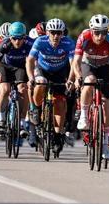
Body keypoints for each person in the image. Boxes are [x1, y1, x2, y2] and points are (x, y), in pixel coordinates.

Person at [73, 14, 109, 160]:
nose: (100, 36)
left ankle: (104, 141)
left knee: (106, 103)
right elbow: (76, 61)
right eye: (97, 32)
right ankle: (84, 115)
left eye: (103, 32)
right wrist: (78, 76)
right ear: (91, 30)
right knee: (89, 81)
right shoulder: (84, 36)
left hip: (104, 67)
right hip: (87, 65)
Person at [26, 18, 76, 155]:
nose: (55, 36)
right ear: (47, 32)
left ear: (62, 33)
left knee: (60, 102)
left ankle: (58, 134)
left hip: (60, 71)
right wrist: (31, 78)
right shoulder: (40, 41)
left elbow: (73, 64)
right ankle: (36, 109)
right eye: (53, 32)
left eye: (58, 33)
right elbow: (30, 60)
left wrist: (71, 80)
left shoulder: (68, 42)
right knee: (40, 82)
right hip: (43, 70)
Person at [0, 21, 33, 142]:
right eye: (14, 38)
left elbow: (35, 63)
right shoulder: (5, 44)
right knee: (5, 89)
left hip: (21, 67)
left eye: (20, 39)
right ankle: (2, 117)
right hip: (5, 66)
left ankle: (21, 121)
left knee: (23, 89)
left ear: (25, 37)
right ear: (10, 37)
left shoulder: (30, 43)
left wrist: (32, 78)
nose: (17, 42)